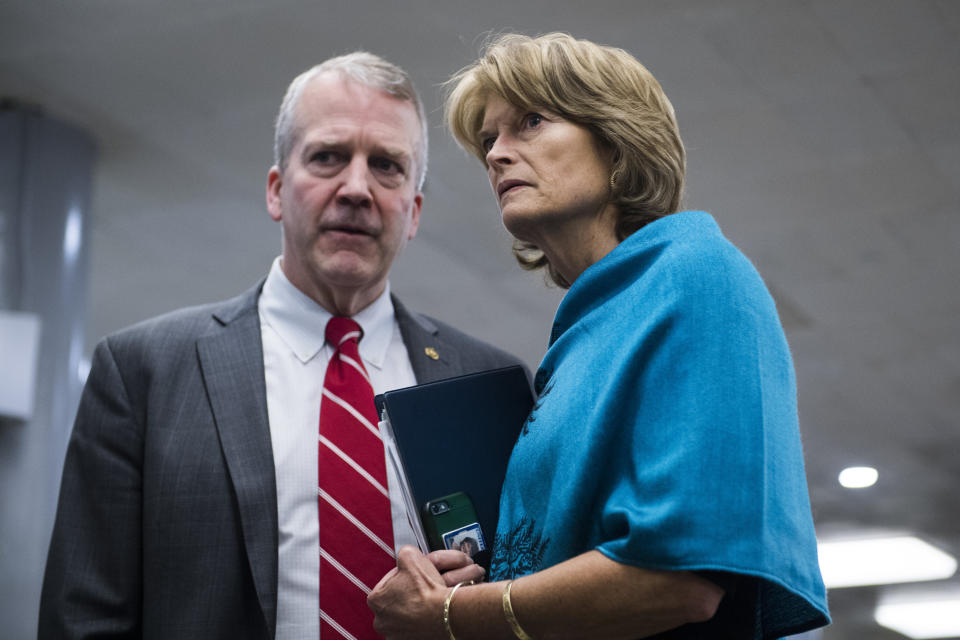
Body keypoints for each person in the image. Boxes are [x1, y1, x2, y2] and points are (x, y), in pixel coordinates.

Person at [38, 52, 523, 640]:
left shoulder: (486, 384)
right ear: (276, 190)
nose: (356, 188)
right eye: (327, 157)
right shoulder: (142, 373)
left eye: (388, 167)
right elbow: (83, 617)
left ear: (413, 211)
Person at [367, 33, 830, 639]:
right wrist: (481, 577)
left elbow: (678, 576)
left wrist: (452, 616)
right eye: (489, 139)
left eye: (530, 122)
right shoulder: (589, 328)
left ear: (616, 139)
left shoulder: (694, 273)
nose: (497, 155)